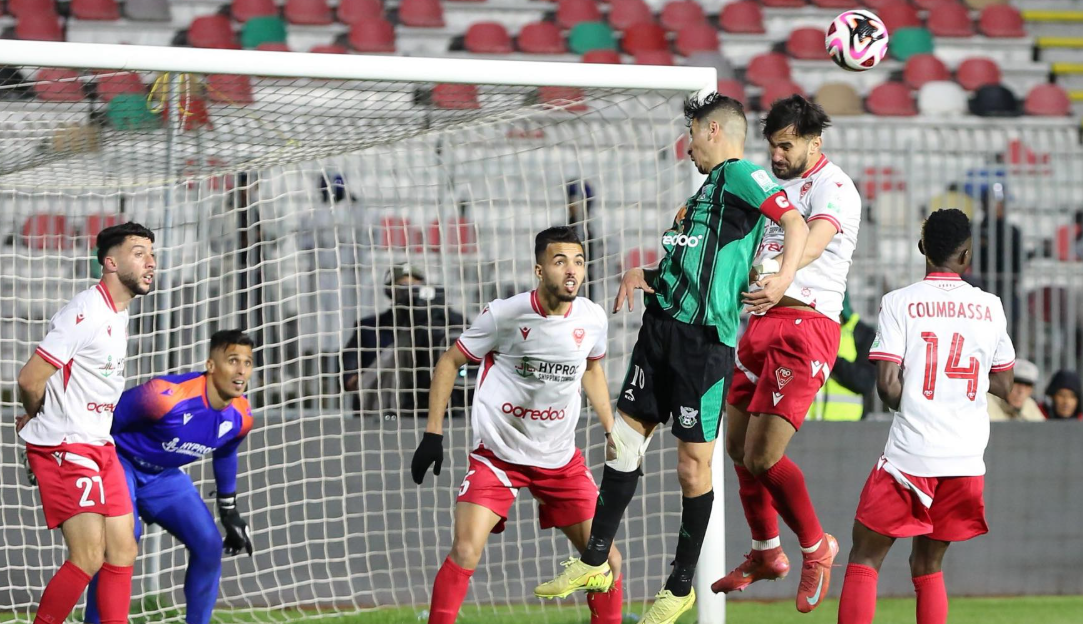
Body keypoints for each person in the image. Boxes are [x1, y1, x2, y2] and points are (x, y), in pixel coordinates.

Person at [535, 92, 809, 624]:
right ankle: (593, 559)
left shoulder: (740, 175)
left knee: (692, 467)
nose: (687, 148)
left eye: (692, 135)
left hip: (702, 344)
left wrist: (782, 278)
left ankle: (680, 586)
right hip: (660, 329)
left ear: (712, 131)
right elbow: (692, 265)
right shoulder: (703, 195)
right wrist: (646, 274)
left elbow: (795, 222)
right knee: (623, 440)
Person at [412, 226, 624, 624]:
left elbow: (591, 369)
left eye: (579, 262)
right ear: (539, 270)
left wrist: (612, 428)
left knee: (607, 560)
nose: (572, 271)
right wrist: (432, 434)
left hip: (559, 460)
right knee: (466, 550)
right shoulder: (505, 314)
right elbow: (450, 361)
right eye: (560, 261)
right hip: (499, 456)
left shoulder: (592, 318)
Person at [712, 95, 861, 613]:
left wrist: (782, 277)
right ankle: (765, 551)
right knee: (736, 449)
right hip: (761, 322)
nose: (776, 155)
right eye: (772, 146)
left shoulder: (834, 185)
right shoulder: (772, 188)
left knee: (764, 456)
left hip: (805, 326)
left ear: (813, 143)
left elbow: (815, 240)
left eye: (786, 146)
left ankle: (817, 547)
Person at [837, 208, 1016, 624]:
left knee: (866, 556)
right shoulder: (991, 306)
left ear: (922, 248)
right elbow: (1005, 385)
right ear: (967, 255)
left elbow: (887, 385)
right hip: (965, 461)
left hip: (911, 457)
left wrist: (915, 400)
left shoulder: (899, 302)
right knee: (928, 564)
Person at [15, 222, 156, 624]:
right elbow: (29, 379)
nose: (151, 262)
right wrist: (39, 418)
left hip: (99, 444)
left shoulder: (118, 313)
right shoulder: (85, 311)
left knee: (123, 549)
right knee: (88, 556)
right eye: (139, 253)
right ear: (110, 262)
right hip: (66, 445)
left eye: (152, 254)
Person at [82, 330, 256, 624]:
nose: (241, 370)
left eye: (247, 363)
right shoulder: (164, 397)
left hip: (164, 477)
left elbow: (226, 453)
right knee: (123, 538)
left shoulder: (241, 416)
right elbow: (104, 420)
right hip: (120, 462)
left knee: (209, 544)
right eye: (232, 361)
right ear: (211, 365)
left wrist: (228, 510)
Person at [341, 265, 466, 416]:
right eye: (404, 286)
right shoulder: (369, 327)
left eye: (415, 286)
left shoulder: (445, 325)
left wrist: (441, 310)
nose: (410, 291)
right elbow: (349, 377)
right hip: (382, 413)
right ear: (390, 290)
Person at [807, 293, 877, 421]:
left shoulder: (862, 334)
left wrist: (829, 358)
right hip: (806, 423)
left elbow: (865, 381)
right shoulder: (806, 329)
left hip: (848, 426)